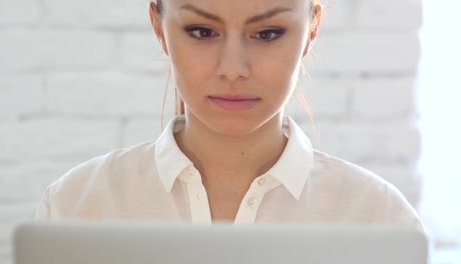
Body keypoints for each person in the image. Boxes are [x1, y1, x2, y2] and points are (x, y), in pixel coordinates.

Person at [35, 0, 423, 231]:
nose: (233, 68)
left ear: (310, 31)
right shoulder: (75, 206)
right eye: (202, 31)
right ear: (159, 28)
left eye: (267, 33)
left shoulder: (378, 218)